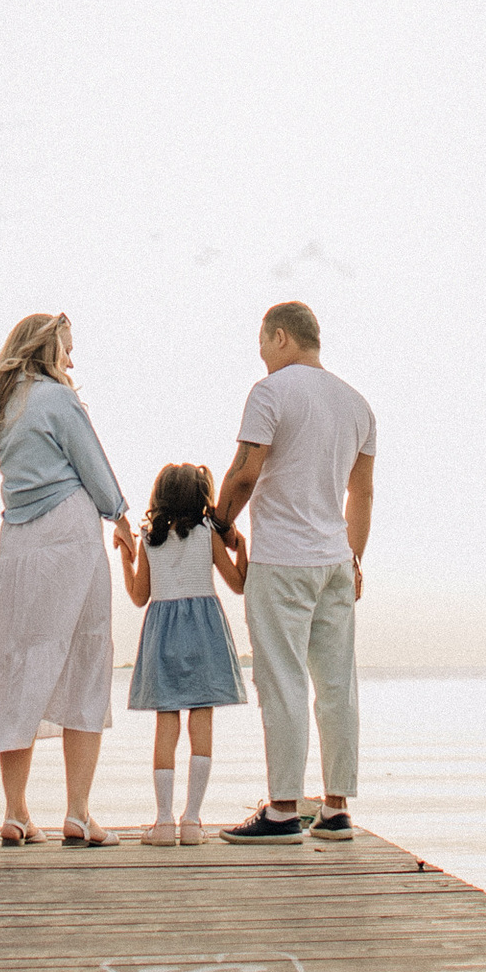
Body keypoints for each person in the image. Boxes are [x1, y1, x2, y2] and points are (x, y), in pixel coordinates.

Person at [0, 310, 132, 845]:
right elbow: (94, 466)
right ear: (46, 350)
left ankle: (16, 812)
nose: (71, 359)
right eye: (66, 348)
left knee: (18, 661)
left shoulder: (4, 407)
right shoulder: (57, 399)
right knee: (85, 657)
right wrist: (121, 515)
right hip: (67, 532)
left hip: (17, 542)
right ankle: (79, 812)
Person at [211, 300, 373, 843]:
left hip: (281, 558)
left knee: (281, 680)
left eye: (262, 344)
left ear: (281, 336)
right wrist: (354, 556)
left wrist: (218, 521)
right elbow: (362, 492)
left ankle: (281, 809)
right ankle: (336, 809)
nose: (260, 356)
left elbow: (244, 471)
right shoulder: (358, 405)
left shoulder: (270, 393)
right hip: (333, 560)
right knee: (337, 685)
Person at [121, 461, 249, 843]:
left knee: (166, 724)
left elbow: (139, 596)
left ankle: (162, 821)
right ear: (201, 498)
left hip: (163, 632)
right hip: (204, 631)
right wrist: (240, 544)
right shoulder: (208, 532)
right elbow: (239, 584)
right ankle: (192, 820)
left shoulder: (148, 539)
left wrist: (124, 562)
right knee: (201, 721)